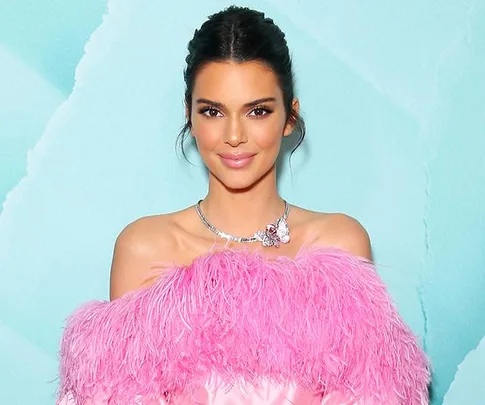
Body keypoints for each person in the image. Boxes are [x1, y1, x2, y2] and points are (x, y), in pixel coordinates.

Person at [56, 5, 430, 404]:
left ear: (289, 117)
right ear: (190, 117)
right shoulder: (145, 249)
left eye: (258, 111)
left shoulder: (338, 245)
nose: (234, 135)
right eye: (213, 111)